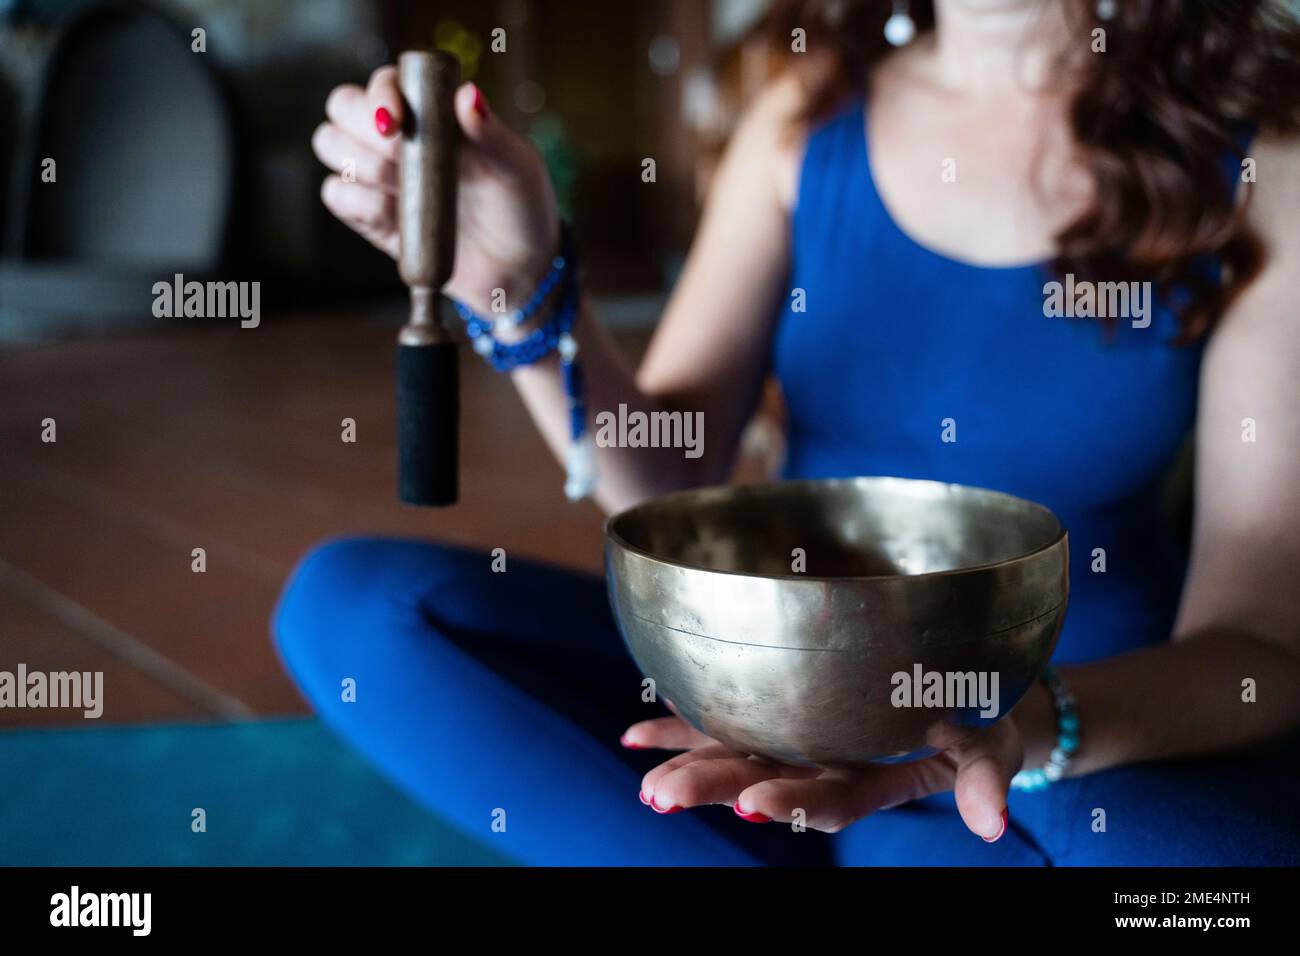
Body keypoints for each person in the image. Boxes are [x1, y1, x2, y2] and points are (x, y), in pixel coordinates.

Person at [277, 0, 1300, 865]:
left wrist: (1024, 725)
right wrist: (522, 294)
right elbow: (666, 482)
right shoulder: (805, 117)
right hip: (758, 692)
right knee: (360, 610)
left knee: (1191, 872)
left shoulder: (1266, 157)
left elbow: (1261, 646)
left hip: (1062, 744)